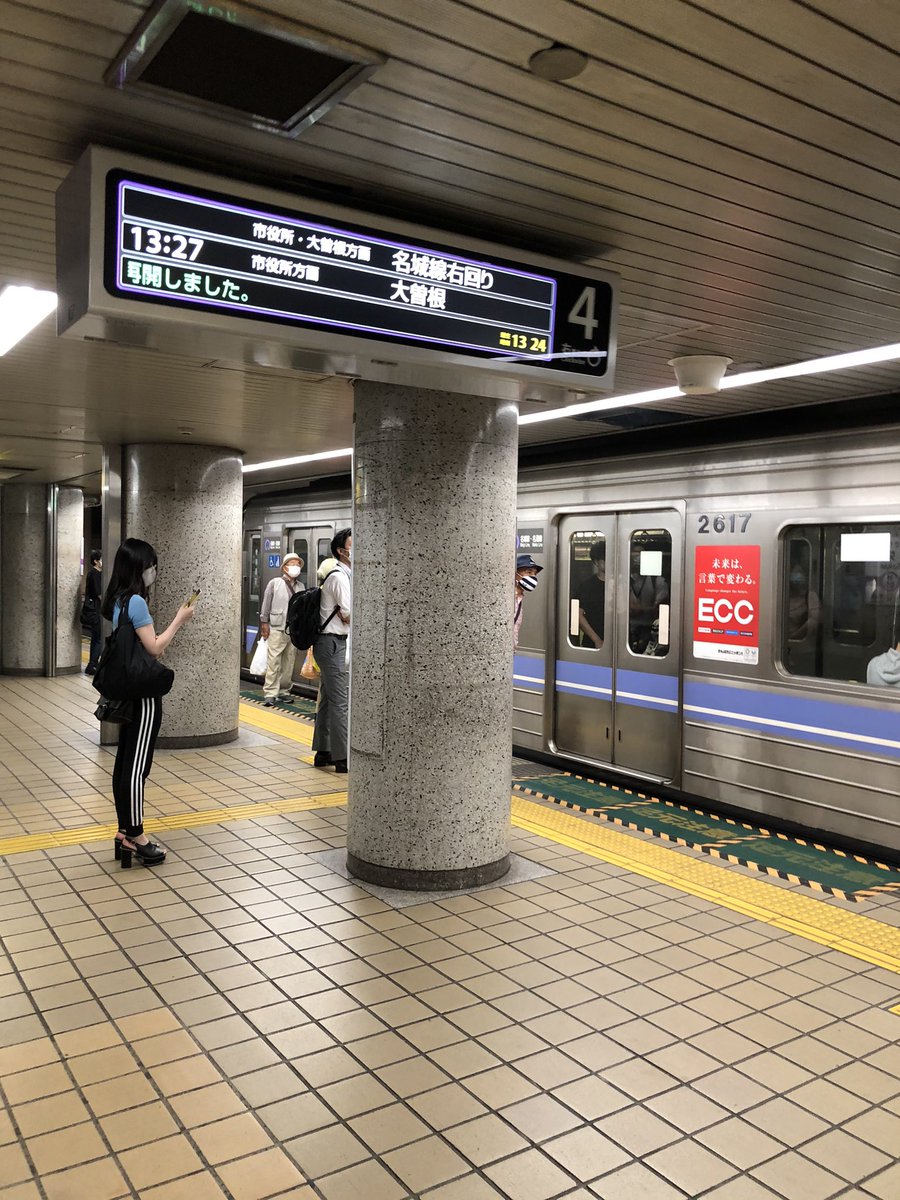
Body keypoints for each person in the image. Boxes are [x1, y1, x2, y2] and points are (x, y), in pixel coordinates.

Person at [101, 538, 194, 867]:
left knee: (125, 761)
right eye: (150, 565)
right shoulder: (137, 602)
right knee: (137, 767)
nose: (154, 571)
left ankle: (123, 830)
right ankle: (136, 836)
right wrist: (180, 619)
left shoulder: (118, 601)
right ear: (138, 568)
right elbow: (155, 648)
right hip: (143, 697)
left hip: (126, 693)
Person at [312, 529, 351, 773]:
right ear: (341, 550)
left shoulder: (342, 574)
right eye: (352, 543)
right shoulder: (339, 577)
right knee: (340, 702)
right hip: (332, 643)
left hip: (330, 643)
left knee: (327, 699)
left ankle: (323, 751)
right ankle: (343, 758)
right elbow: (348, 613)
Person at [259, 551, 305, 707]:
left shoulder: (301, 586)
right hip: (277, 627)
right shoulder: (275, 583)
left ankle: (284, 691)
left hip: (293, 630)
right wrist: (264, 623)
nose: (296, 567)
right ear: (285, 568)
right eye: (292, 564)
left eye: (298, 564)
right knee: (274, 661)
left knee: (289, 662)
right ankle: (270, 693)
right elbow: (266, 603)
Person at [577, 541, 605, 649]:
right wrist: (596, 640)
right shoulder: (587, 586)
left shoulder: (623, 583)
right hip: (592, 644)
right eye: (604, 559)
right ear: (596, 562)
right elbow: (578, 615)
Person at [514, 554, 542, 649]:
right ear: (515, 573)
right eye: (528, 572)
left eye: (534, 574)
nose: (533, 577)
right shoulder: (507, 600)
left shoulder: (519, 598)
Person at [82, 549, 103, 673]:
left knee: (97, 637)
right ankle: (92, 664)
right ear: (96, 561)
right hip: (95, 610)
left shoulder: (98, 574)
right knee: (98, 637)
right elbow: (98, 593)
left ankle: (94, 663)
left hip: (96, 610)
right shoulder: (94, 574)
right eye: (101, 559)